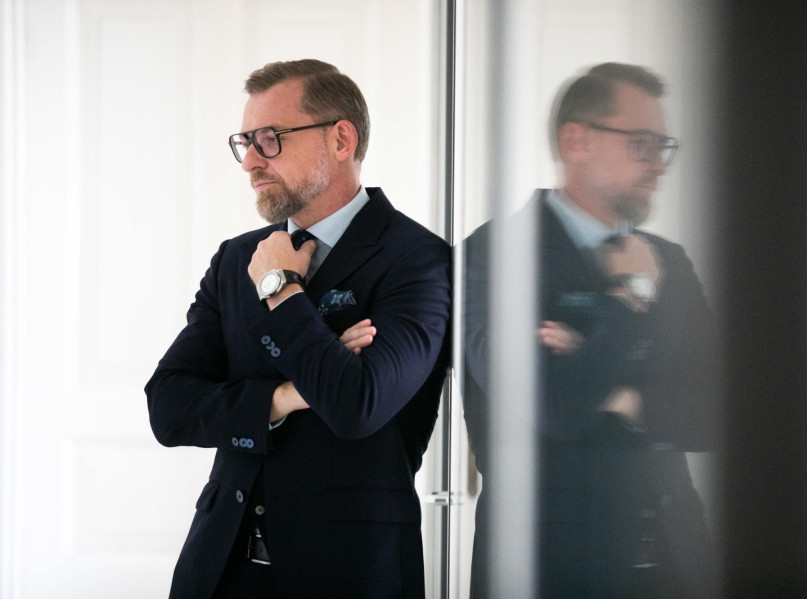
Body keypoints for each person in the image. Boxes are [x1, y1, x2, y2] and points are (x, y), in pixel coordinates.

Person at [146, 59, 451, 599]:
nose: (251, 161)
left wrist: (281, 290)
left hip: (348, 573)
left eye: (270, 138)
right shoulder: (236, 258)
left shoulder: (417, 259)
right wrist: (285, 397)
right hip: (219, 569)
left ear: (341, 139)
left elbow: (356, 405)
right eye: (245, 142)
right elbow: (168, 407)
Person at [463, 63, 718, 597]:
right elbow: (550, 401)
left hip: (674, 559)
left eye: (664, 146)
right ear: (575, 141)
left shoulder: (669, 259)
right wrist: (630, 295)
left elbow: (715, 412)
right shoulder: (495, 254)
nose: (658, 164)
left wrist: (617, 395)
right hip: (548, 565)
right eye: (641, 143)